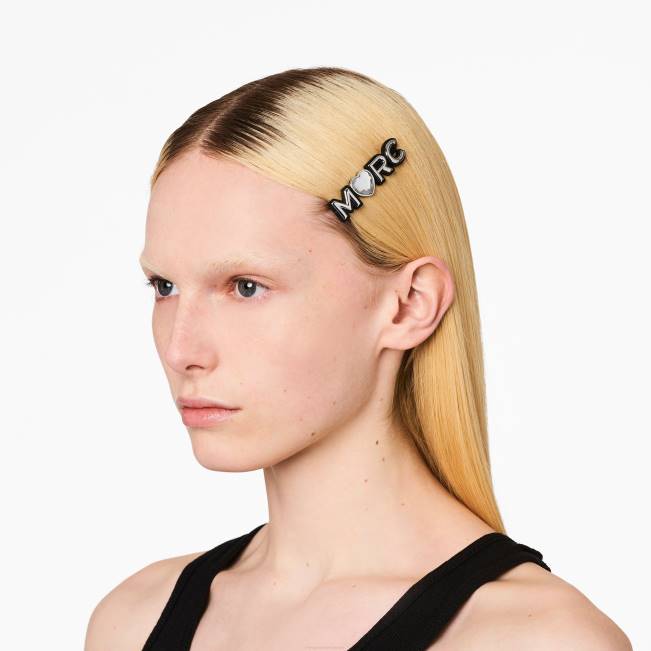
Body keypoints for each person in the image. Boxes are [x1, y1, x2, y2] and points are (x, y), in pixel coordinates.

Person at [84, 66, 631, 650]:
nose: (180, 349)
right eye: (165, 286)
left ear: (409, 305)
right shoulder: (131, 621)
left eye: (246, 287)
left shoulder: (537, 640)